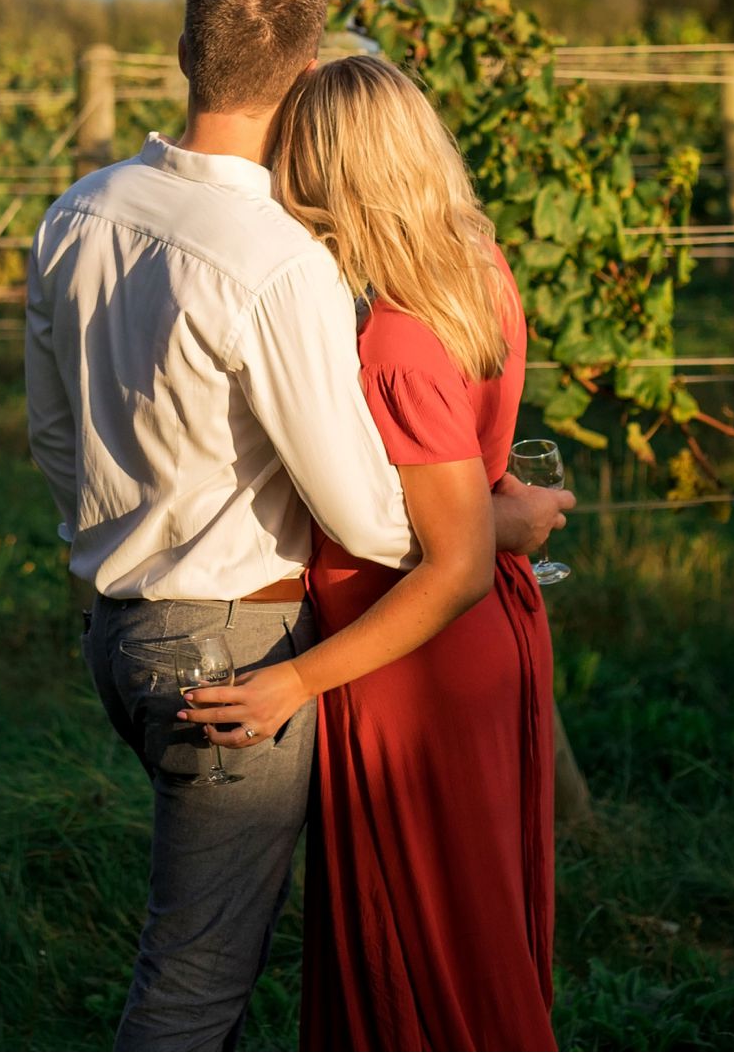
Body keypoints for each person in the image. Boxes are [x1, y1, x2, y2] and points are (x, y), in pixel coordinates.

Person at [26, 0, 572, 1051]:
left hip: (114, 632)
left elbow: (51, 437)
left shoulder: (76, 214)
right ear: (308, 68)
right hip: (236, 645)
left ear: (183, 55)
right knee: (192, 986)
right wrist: (495, 520)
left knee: (207, 956)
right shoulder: (280, 263)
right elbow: (377, 522)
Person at [181, 52, 558, 1049]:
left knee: (420, 945)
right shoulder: (478, 271)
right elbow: (470, 477)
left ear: (322, 171)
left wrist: (289, 682)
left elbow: (451, 564)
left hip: (407, 655)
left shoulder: (392, 339)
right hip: (481, 636)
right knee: (473, 926)